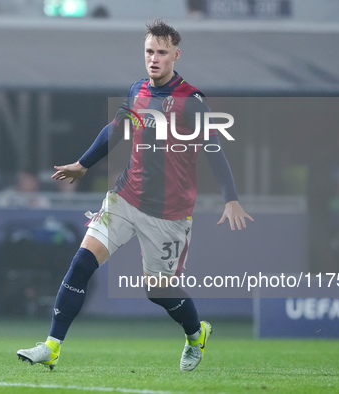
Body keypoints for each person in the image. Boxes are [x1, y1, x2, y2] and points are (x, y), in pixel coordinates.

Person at [17, 19, 253, 372]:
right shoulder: (137, 90)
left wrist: (230, 197)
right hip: (126, 197)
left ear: (176, 55)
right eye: (149, 51)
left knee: (157, 291)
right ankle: (52, 346)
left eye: (161, 52)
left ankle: (195, 333)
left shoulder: (192, 100)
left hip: (169, 213)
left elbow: (213, 148)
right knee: (81, 264)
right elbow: (116, 129)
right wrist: (84, 164)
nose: (154, 58)